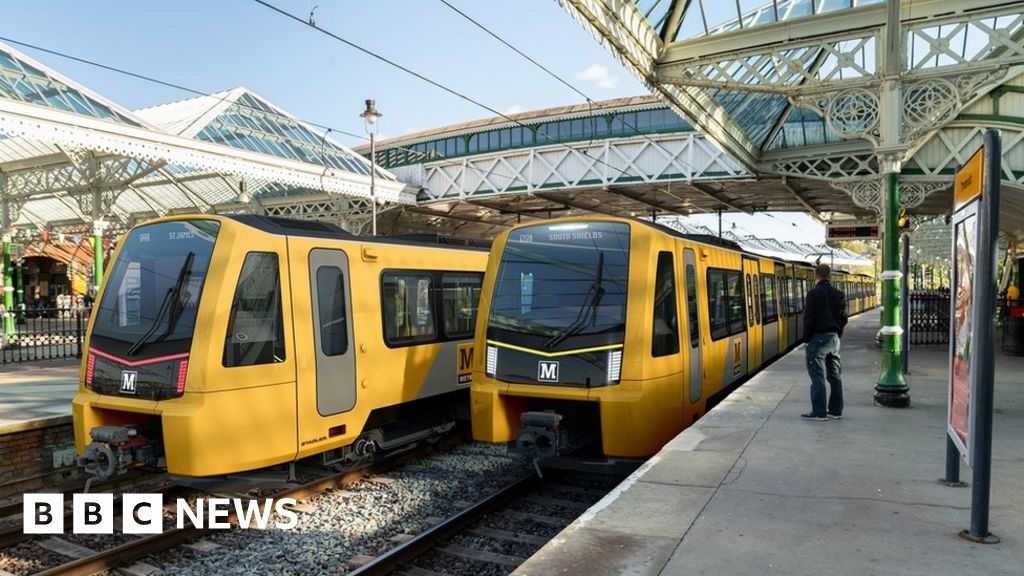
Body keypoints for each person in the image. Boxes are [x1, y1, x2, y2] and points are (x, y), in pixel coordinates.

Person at [801, 264, 848, 422]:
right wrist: (838, 332)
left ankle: (819, 412)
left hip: (818, 339)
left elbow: (809, 319)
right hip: (834, 339)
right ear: (830, 276)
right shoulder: (839, 294)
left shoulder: (813, 294)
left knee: (818, 376)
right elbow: (843, 318)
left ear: (816, 275)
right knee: (835, 375)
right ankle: (835, 411)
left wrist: (806, 339)